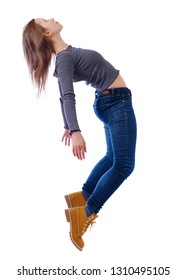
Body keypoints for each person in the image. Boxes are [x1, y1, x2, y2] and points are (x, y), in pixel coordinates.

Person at [22, 18, 137, 251]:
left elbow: (63, 96)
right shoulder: (64, 59)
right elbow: (67, 95)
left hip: (113, 102)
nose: (51, 18)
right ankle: (86, 212)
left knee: (112, 159)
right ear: (46, 33)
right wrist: (74, 130)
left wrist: (67, 124)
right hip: (116, 104)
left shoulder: (67, 54)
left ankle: (82, 197)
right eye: (46, 20)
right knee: (124, 165)